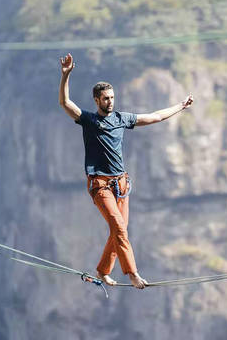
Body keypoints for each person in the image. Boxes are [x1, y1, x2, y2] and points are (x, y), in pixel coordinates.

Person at [58, 53, 193, 289]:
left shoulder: (122, 119)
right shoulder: (89, 120)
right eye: (105, 99)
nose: (110, 102)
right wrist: (66, 76)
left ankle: (102, 271)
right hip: (100, 186)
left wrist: (180, 106)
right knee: (119, 227)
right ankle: (132, 272)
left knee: (118, 230)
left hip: (121, 184)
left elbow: (155, 116)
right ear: (96, 100)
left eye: (112, 98)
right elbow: (65, 103)